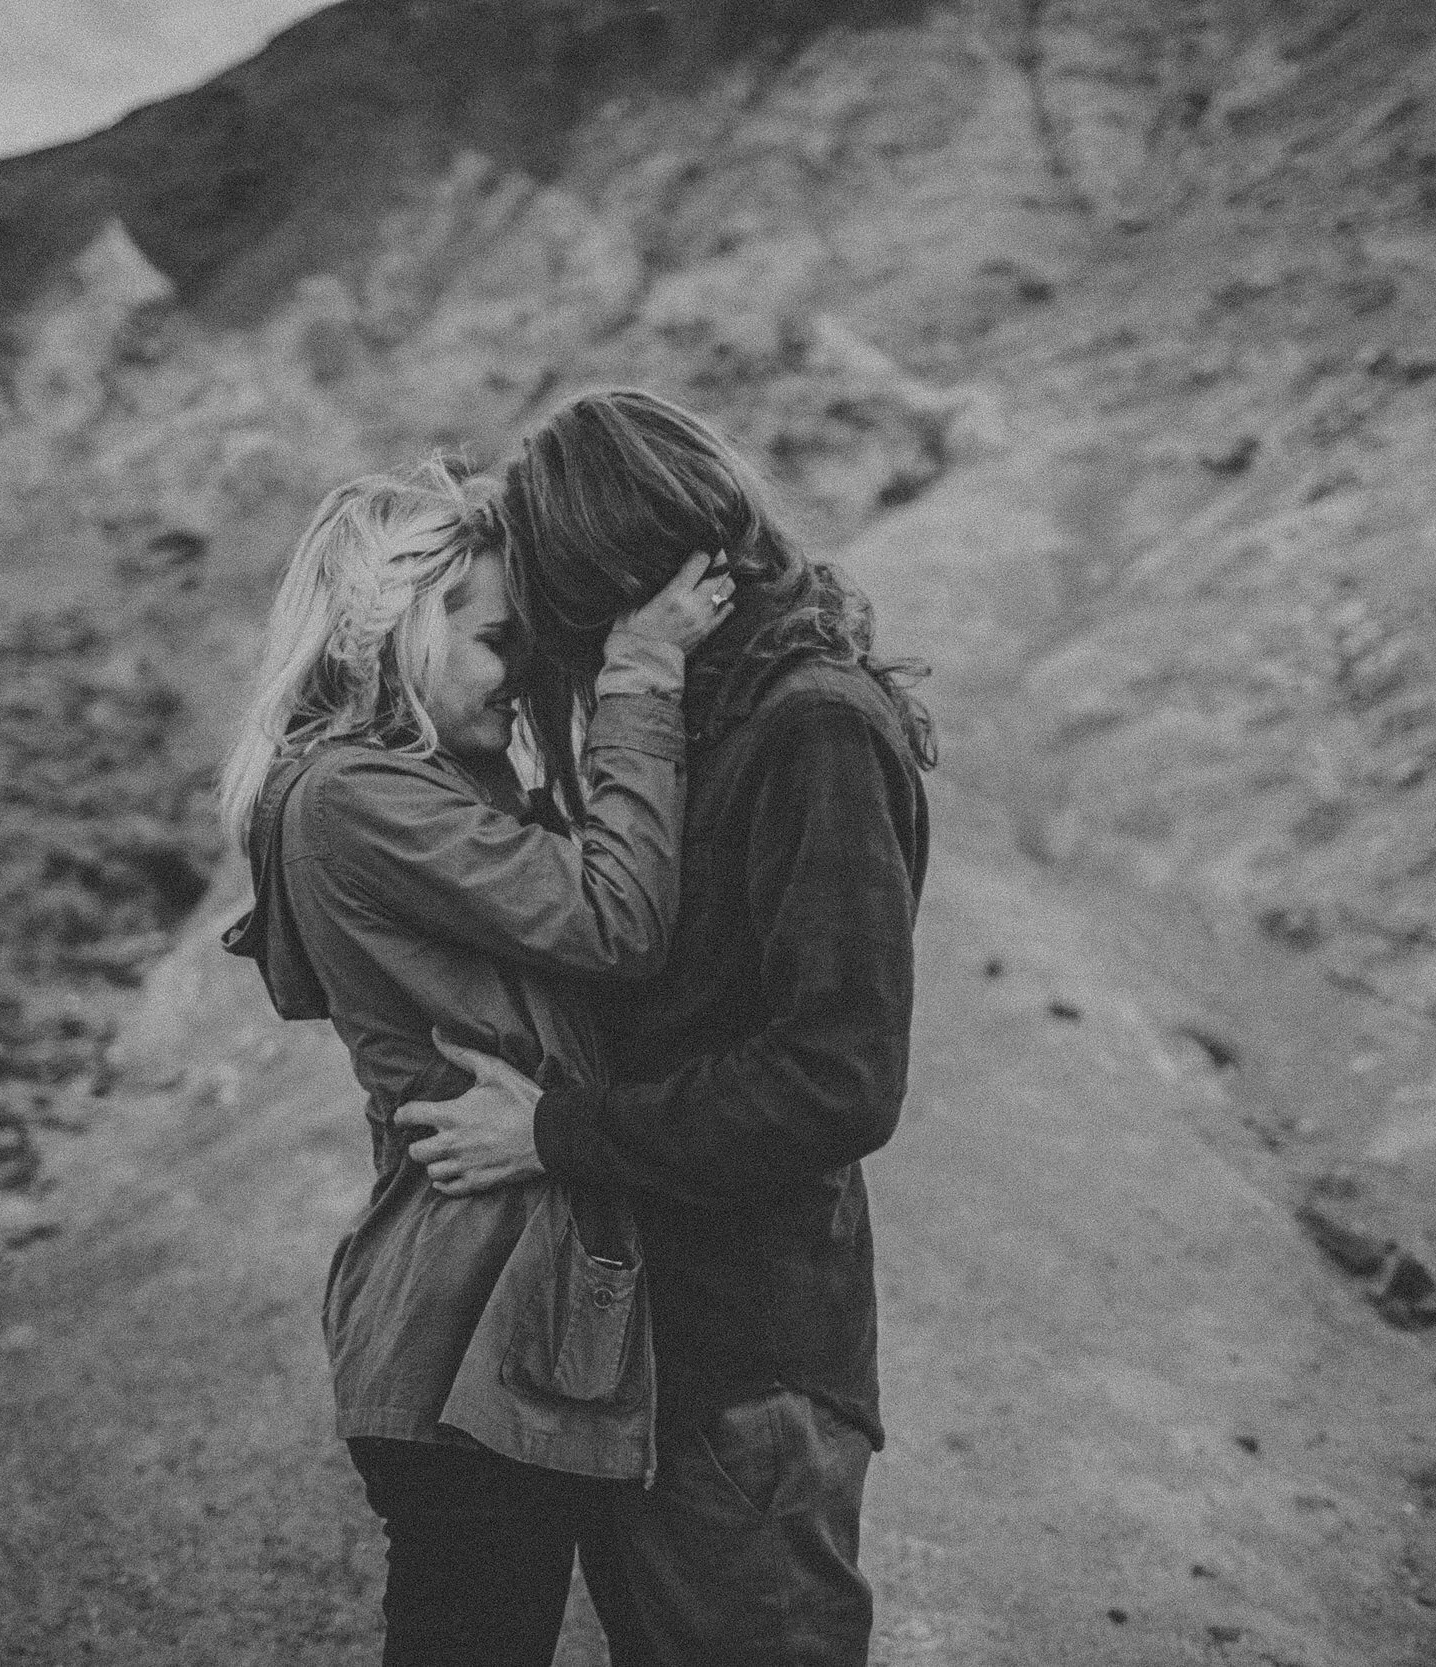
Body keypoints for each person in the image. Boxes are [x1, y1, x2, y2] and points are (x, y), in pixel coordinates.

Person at [397, 390, 934, 1667]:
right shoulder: (717, 717)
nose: (549, 665)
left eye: (557, 624)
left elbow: (838, 1079)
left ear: (621, 587)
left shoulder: (812, 728)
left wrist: (550, 1131)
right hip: (674, 1348)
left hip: (753, 1369)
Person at [214, 458, 732, 1667]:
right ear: (397, 628)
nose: (522, 676)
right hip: (463, 1319)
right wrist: (645, 672)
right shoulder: (353, 795)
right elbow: (617, 920)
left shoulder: (418, 785)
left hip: (495, 1311)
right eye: (499, 642)